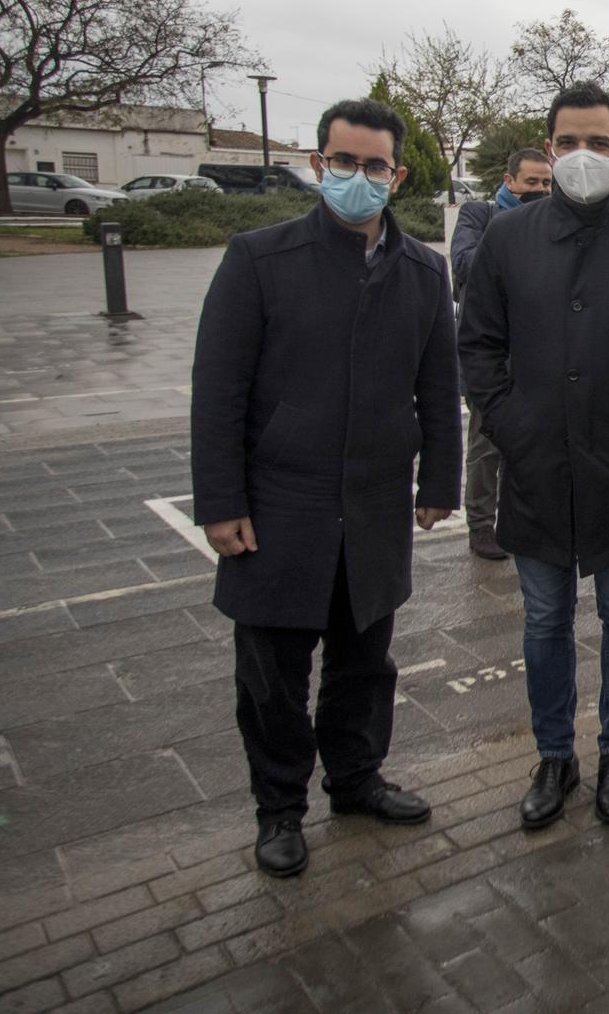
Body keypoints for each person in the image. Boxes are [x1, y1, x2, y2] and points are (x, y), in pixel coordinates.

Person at [191, 98, 460, 878]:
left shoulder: (422, 269)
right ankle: (279, 809)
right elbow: (218, 390)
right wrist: (220, 502)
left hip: (375, 505)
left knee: (364, 662)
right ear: (319, 164)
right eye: (343, 162)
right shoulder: (259, 258)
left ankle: (355, 778)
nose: (357, 177)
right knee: (272, 674)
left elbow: (439, 389)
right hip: (280, 506)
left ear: (397, 175)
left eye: (374, 166)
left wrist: (440, 478)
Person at [457, 83, 609, 830]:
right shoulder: (507, 237)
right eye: (567, 143)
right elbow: (479, 344)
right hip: (536, 468)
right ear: (548, 148)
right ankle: (554, 754)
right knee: (544, 619)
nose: (582, 156)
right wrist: (513, 423)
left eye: (598, 142)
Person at [450, 148, 552, 561]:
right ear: (509, 182)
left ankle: (524, 518)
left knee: (533, 445)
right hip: (491, 359)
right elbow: (464, 264)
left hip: (537, 355)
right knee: (485, 444)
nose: (540, 191)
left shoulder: (549, 221)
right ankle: (480, 526)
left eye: (546, 183)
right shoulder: (481, 215)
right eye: (532, 183)